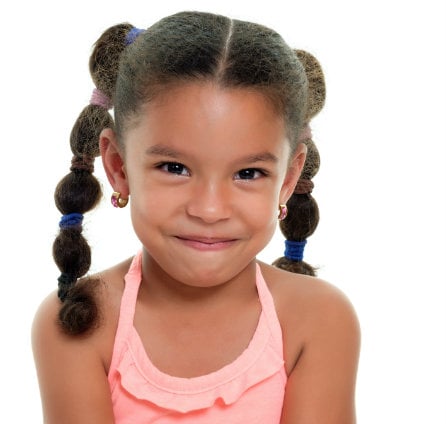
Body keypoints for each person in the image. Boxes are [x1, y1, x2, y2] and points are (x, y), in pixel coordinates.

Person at [31, 10, 360, 423]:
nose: (208, 209)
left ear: (289, 178)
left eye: (248, 173)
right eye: (174, 167)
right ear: (117, 165)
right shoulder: (80, 323)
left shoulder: (319, 320)